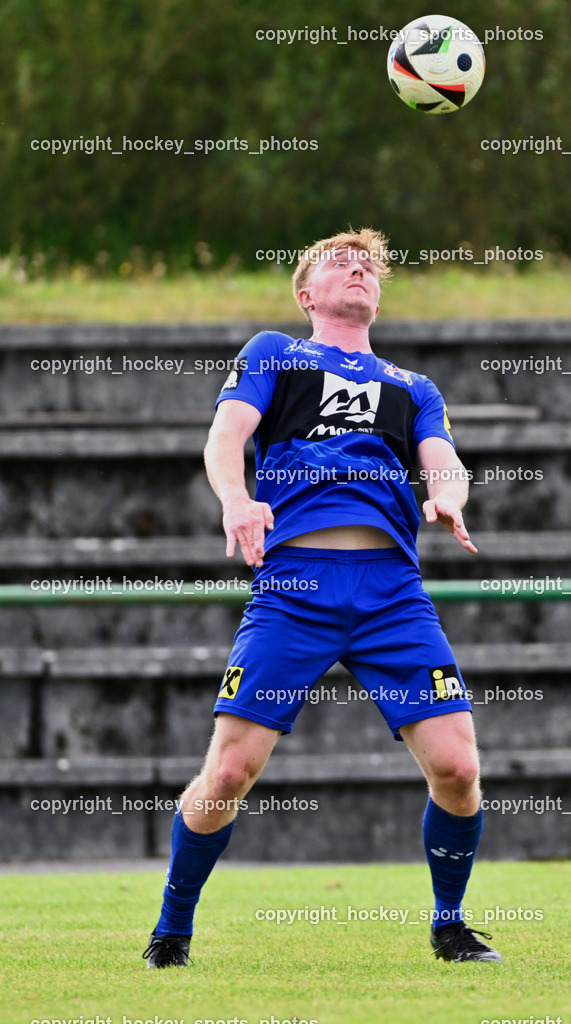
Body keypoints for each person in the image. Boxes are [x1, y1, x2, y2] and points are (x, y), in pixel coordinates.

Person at [143, 227, 502, 968]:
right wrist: (235, 499)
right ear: (307, 294)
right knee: (231, 772)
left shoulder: (413, 387)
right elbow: (225, 434)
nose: (358, 270)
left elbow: (445, 462)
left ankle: (449, 924)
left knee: (459, 769)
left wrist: (446, 497)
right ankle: (172, 931)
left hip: (391, 595)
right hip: (294, 588)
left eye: (368, 265)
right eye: (340, 262)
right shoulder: (275, 350)